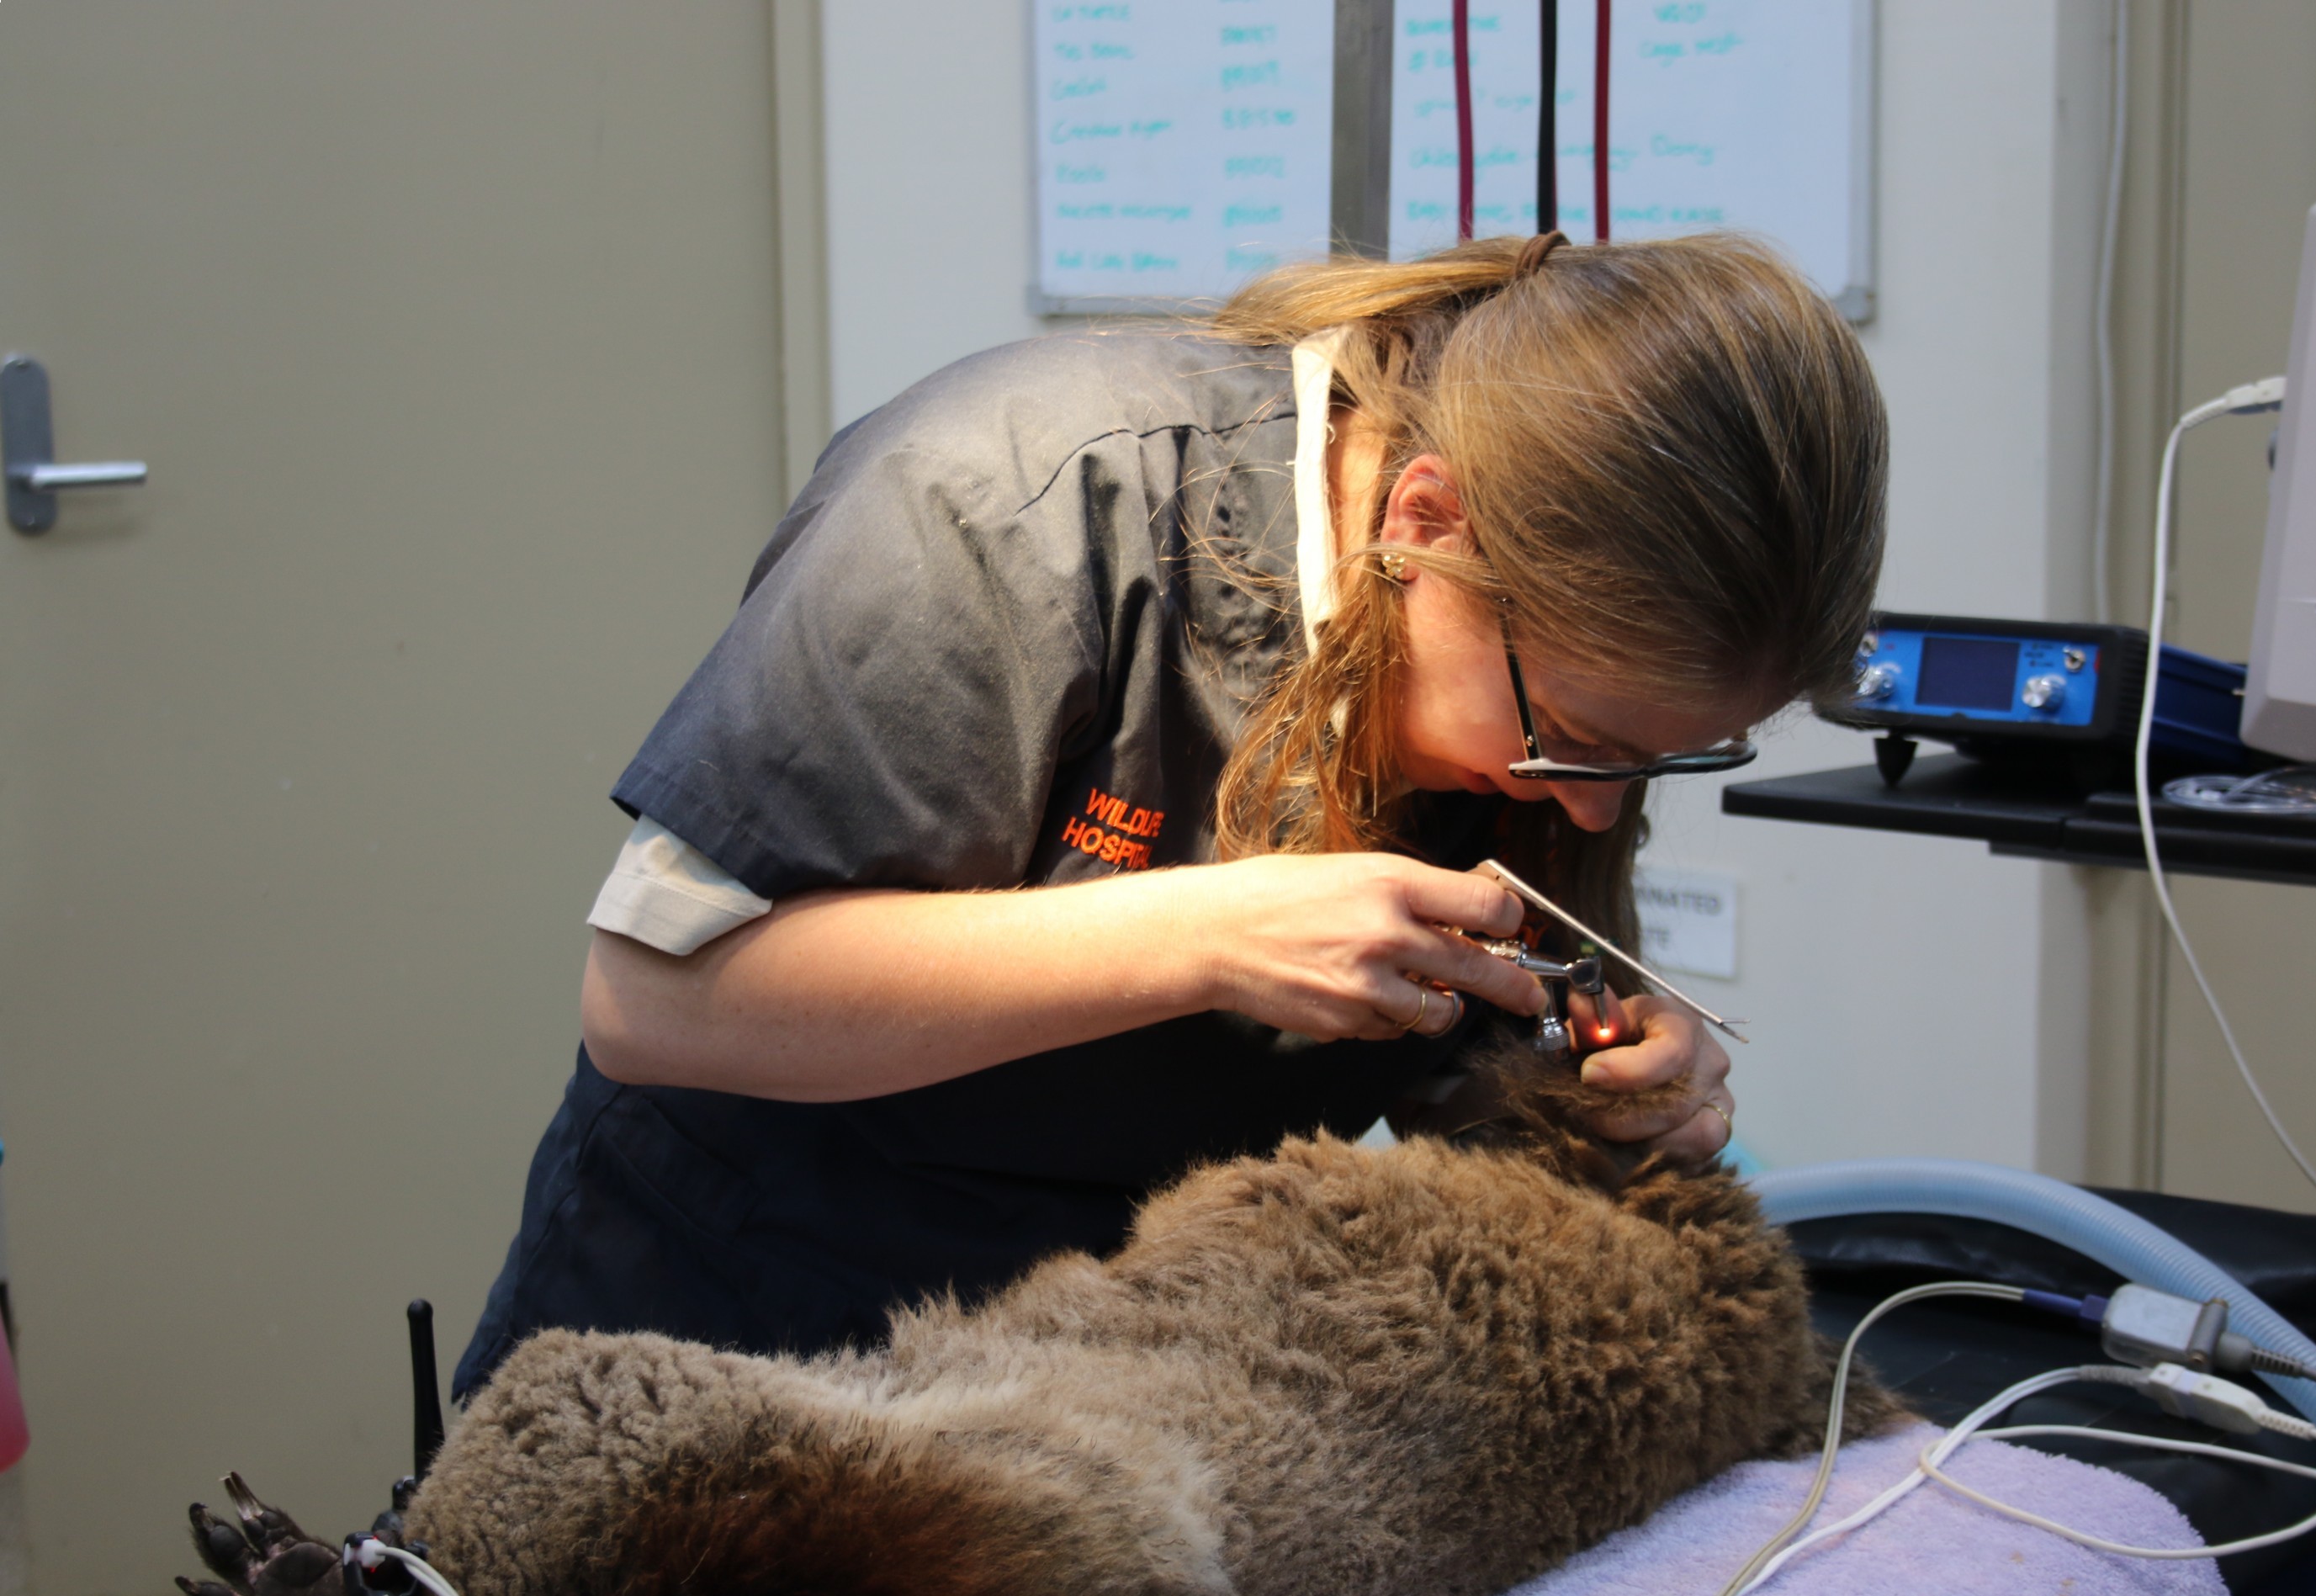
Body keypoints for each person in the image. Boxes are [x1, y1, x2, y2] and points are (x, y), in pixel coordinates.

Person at [454, 231, 1889, 1397]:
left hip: (1093, 1379)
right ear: (1428, 523)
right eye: (1576, 739)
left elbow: (1463, 1063)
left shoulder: (1542, 684)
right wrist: (1205, 932)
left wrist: (1598, 1083)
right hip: (737, 1329)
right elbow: (657, 995)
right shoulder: (1013, 504)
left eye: (1657, 763)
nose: (1587, 803)